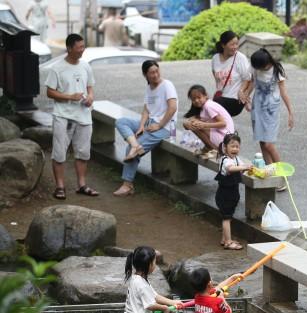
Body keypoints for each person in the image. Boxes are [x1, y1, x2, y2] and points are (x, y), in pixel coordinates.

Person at [45, 33, 99, 200]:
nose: (82, 50)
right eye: (79, 47)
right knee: (60, 152)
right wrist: (70, 97)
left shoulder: (85, 66)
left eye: (83, 47)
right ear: (69, 48)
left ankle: (82, 185)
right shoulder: (57, 68)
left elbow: (90, 86)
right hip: (63, 116)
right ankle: (60, 187)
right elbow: (49, 92)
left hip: (84, 115)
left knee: (83, 152)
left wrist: (90, 97)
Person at [113, 60, 178, 196]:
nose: (155, 75)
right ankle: (136, 145)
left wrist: (160, 125)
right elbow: (146, 110)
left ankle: (127, 185)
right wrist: (141, 126)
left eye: (156, 71)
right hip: (150, 122)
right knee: (121, 121)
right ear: (145, 75)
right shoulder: (149, 88)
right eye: (151, 73)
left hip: (165, 127)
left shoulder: (167, 85)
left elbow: (173, 108)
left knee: (130, 150)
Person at [119, 246, 182, 313]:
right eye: (154, 262)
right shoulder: (142, 285)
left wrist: (173, 303)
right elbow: (150, 304)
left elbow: (155, 296)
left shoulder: (135, 279)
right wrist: (165, 308)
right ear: (147, 265)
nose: (155, 265)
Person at [244, 48, 294, 172]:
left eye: (261, 68)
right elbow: (253, 83)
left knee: (269, 145)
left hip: (271, 110)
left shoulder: (276, 70)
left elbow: (283, 92)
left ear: (267, 63)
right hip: (257, 107)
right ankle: (269, 171)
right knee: (262, 142)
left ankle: (281, 174)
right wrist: (246, 97)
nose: (258, 70)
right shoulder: (255, 67)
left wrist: (290, 113)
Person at [215, 134, 252, 250]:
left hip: (232, 193)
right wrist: (244, 167)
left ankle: (224, 239)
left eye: (237, 146)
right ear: (225, 148)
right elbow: (230, 168)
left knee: (228, 217)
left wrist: (248, 167)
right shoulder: (225, 160)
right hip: (224, 194)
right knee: (226, 218)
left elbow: (240, 166)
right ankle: (228, 242)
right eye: (232, 146)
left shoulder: (236, 159)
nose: (235, 149)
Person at [183, 84, 234, 159]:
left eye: (199, 97)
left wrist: (204, 125)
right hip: (223, 136)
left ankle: (215, 150)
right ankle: (210, 147)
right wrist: (190, 122)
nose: (196, 100)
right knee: (189, 123)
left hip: (225, 138)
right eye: (193, 99)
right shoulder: (204, 106)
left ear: (205, 95)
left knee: (194, 125)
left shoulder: (208, 106)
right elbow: (190, 121)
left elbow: (223, 123)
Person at [211, 31, 252, 117]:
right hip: (220, 97)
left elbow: (248, 78)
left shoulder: (240, 58)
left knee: (212, 111)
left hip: (235, 99)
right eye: (232, 44)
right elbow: (215, 76)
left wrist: (242, 91)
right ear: (223, 45)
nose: (235, 47)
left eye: (236, 44)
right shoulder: (215, 58)